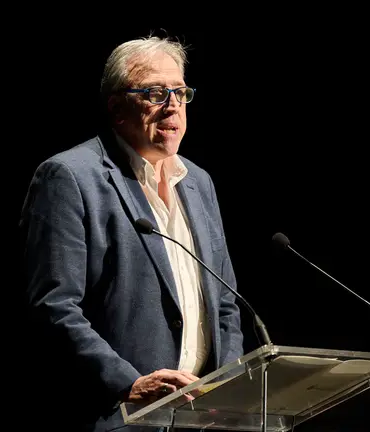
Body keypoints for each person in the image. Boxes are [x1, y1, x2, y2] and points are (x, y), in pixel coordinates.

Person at [18, 35, 245, 431]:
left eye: (180, 92)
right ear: (117, 106)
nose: (172, 104)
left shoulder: (198, 182)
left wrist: (225, 390)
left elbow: (225, 303)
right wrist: (128, 383)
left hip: (200, 421)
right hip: (117, 417)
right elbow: (53, 306)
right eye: (155, 92)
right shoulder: (69, 177)